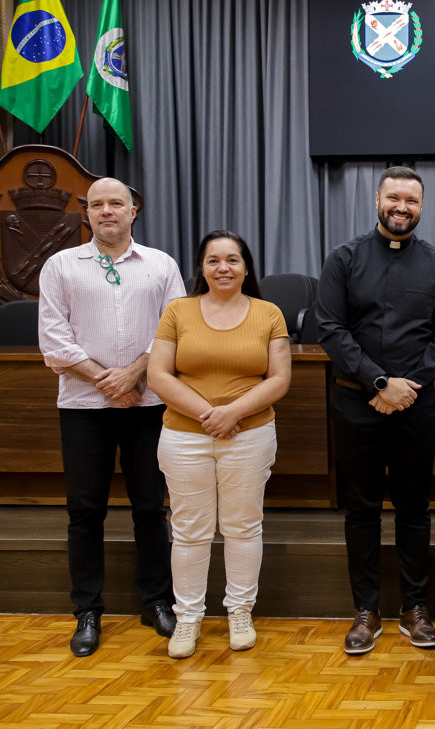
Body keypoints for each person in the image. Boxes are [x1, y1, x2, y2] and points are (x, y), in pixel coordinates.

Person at [315, 165, 435, 655]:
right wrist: (379, 382)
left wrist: (406, 387)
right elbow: (330, 328)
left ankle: (414, 608)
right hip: (355, 402)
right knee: (361, 509)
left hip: (416, 405)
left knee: (414, 507)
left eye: (412, 201)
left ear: (422, 207)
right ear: (377, 200)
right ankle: (366, 610)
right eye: (394, 198)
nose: (402, 207)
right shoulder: (344, 258)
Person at [37, 177, 184, 657]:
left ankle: (157, 601)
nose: (107, 211)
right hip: (84, 408)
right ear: (87, 212)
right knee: (85, 511)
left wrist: (135, 374)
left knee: (150, 507)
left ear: (132, 210)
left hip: (148, 404)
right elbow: (53, 339)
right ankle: (87, 610)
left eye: (116, 203)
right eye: (97, 204)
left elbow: (175, 331)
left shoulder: (161, 265)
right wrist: (108, 381)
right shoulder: (61, 266)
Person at [147, 230, 291, 658]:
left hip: (249, 434)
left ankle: (239, 612)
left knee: (242, 526)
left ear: (246, 268)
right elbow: (158, 375)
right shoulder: (178, 311)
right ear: (202, 268)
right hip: (184, 436)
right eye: (213, 260)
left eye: (232, 260)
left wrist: (233, 414)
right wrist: (208, 415)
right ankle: (188, 618)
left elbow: (279, 379)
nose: (223, 268)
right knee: (189, 530)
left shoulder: (268, 313)